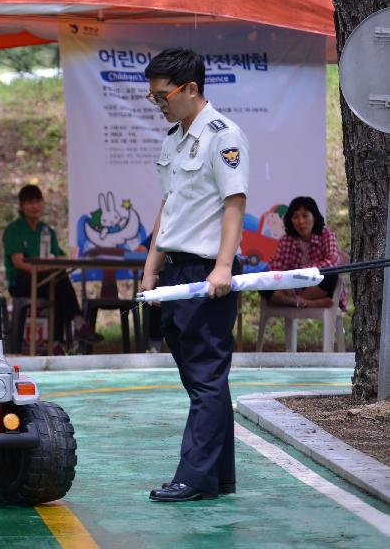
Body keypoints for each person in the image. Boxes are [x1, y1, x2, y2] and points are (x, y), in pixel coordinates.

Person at [140, 48, 249, 502]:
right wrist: (150, 270)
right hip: (176, 271)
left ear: (190, 89)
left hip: (208, 272)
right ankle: (220, 475)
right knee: (201, 379)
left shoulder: (224, 136)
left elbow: (234, 202)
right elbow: (168, 207)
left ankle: (196, 477)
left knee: (205, 377)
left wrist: (223, 266)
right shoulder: (173, 140)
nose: (159, 104)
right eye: (153, 98)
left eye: (163, 96)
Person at [2, 184, 101, 354]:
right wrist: (46, 267)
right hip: (21, 281)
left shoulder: (47, 231)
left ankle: (57, 344)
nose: (35, 206)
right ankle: (75, 326)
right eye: (30, 202)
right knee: (59, 281)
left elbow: (59, 257)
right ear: (21, 206)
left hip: (46, 282)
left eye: (38, 201)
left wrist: (52, 264)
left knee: (58, 287)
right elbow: (19, 263)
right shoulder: (14, 230)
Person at [262, 196, 340, 308]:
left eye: (305, 216)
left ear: (315, 217)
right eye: (295, 217)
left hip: (314, 285)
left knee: (331, 275)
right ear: (290, 220)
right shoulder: (286, 239)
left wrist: (300, 273)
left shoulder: (326, 234)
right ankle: (306, 303)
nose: (301, 221)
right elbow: (274, 266)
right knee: (263, 281)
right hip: (291, 285)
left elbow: (332, 261)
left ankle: (290, 301)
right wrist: (284, 283)